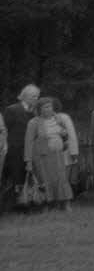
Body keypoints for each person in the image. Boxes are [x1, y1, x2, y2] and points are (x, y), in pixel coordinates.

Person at [24, 97, 76, 211]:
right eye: (45, 107)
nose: (49, 109)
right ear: (39, 109)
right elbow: (28, 142)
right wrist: (28, 161)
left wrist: (64, 135)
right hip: (41, 157)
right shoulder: (34, 122)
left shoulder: (58, 119)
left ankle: (65, 203)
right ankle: (49, 204)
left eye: (50, 106)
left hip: (57, 155)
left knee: (61, 179)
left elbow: (65, 136)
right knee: (45, 181)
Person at [2, 85, 39, 214]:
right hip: (15, 150)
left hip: (31, 150)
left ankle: (28, 204)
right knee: (16, 178)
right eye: (34, 96)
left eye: (37, 96)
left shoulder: (35, 112)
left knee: (29, 178)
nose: (36, 99)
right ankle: (12, 206)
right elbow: (5, 130)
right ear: (25, 96)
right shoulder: (12, 110)